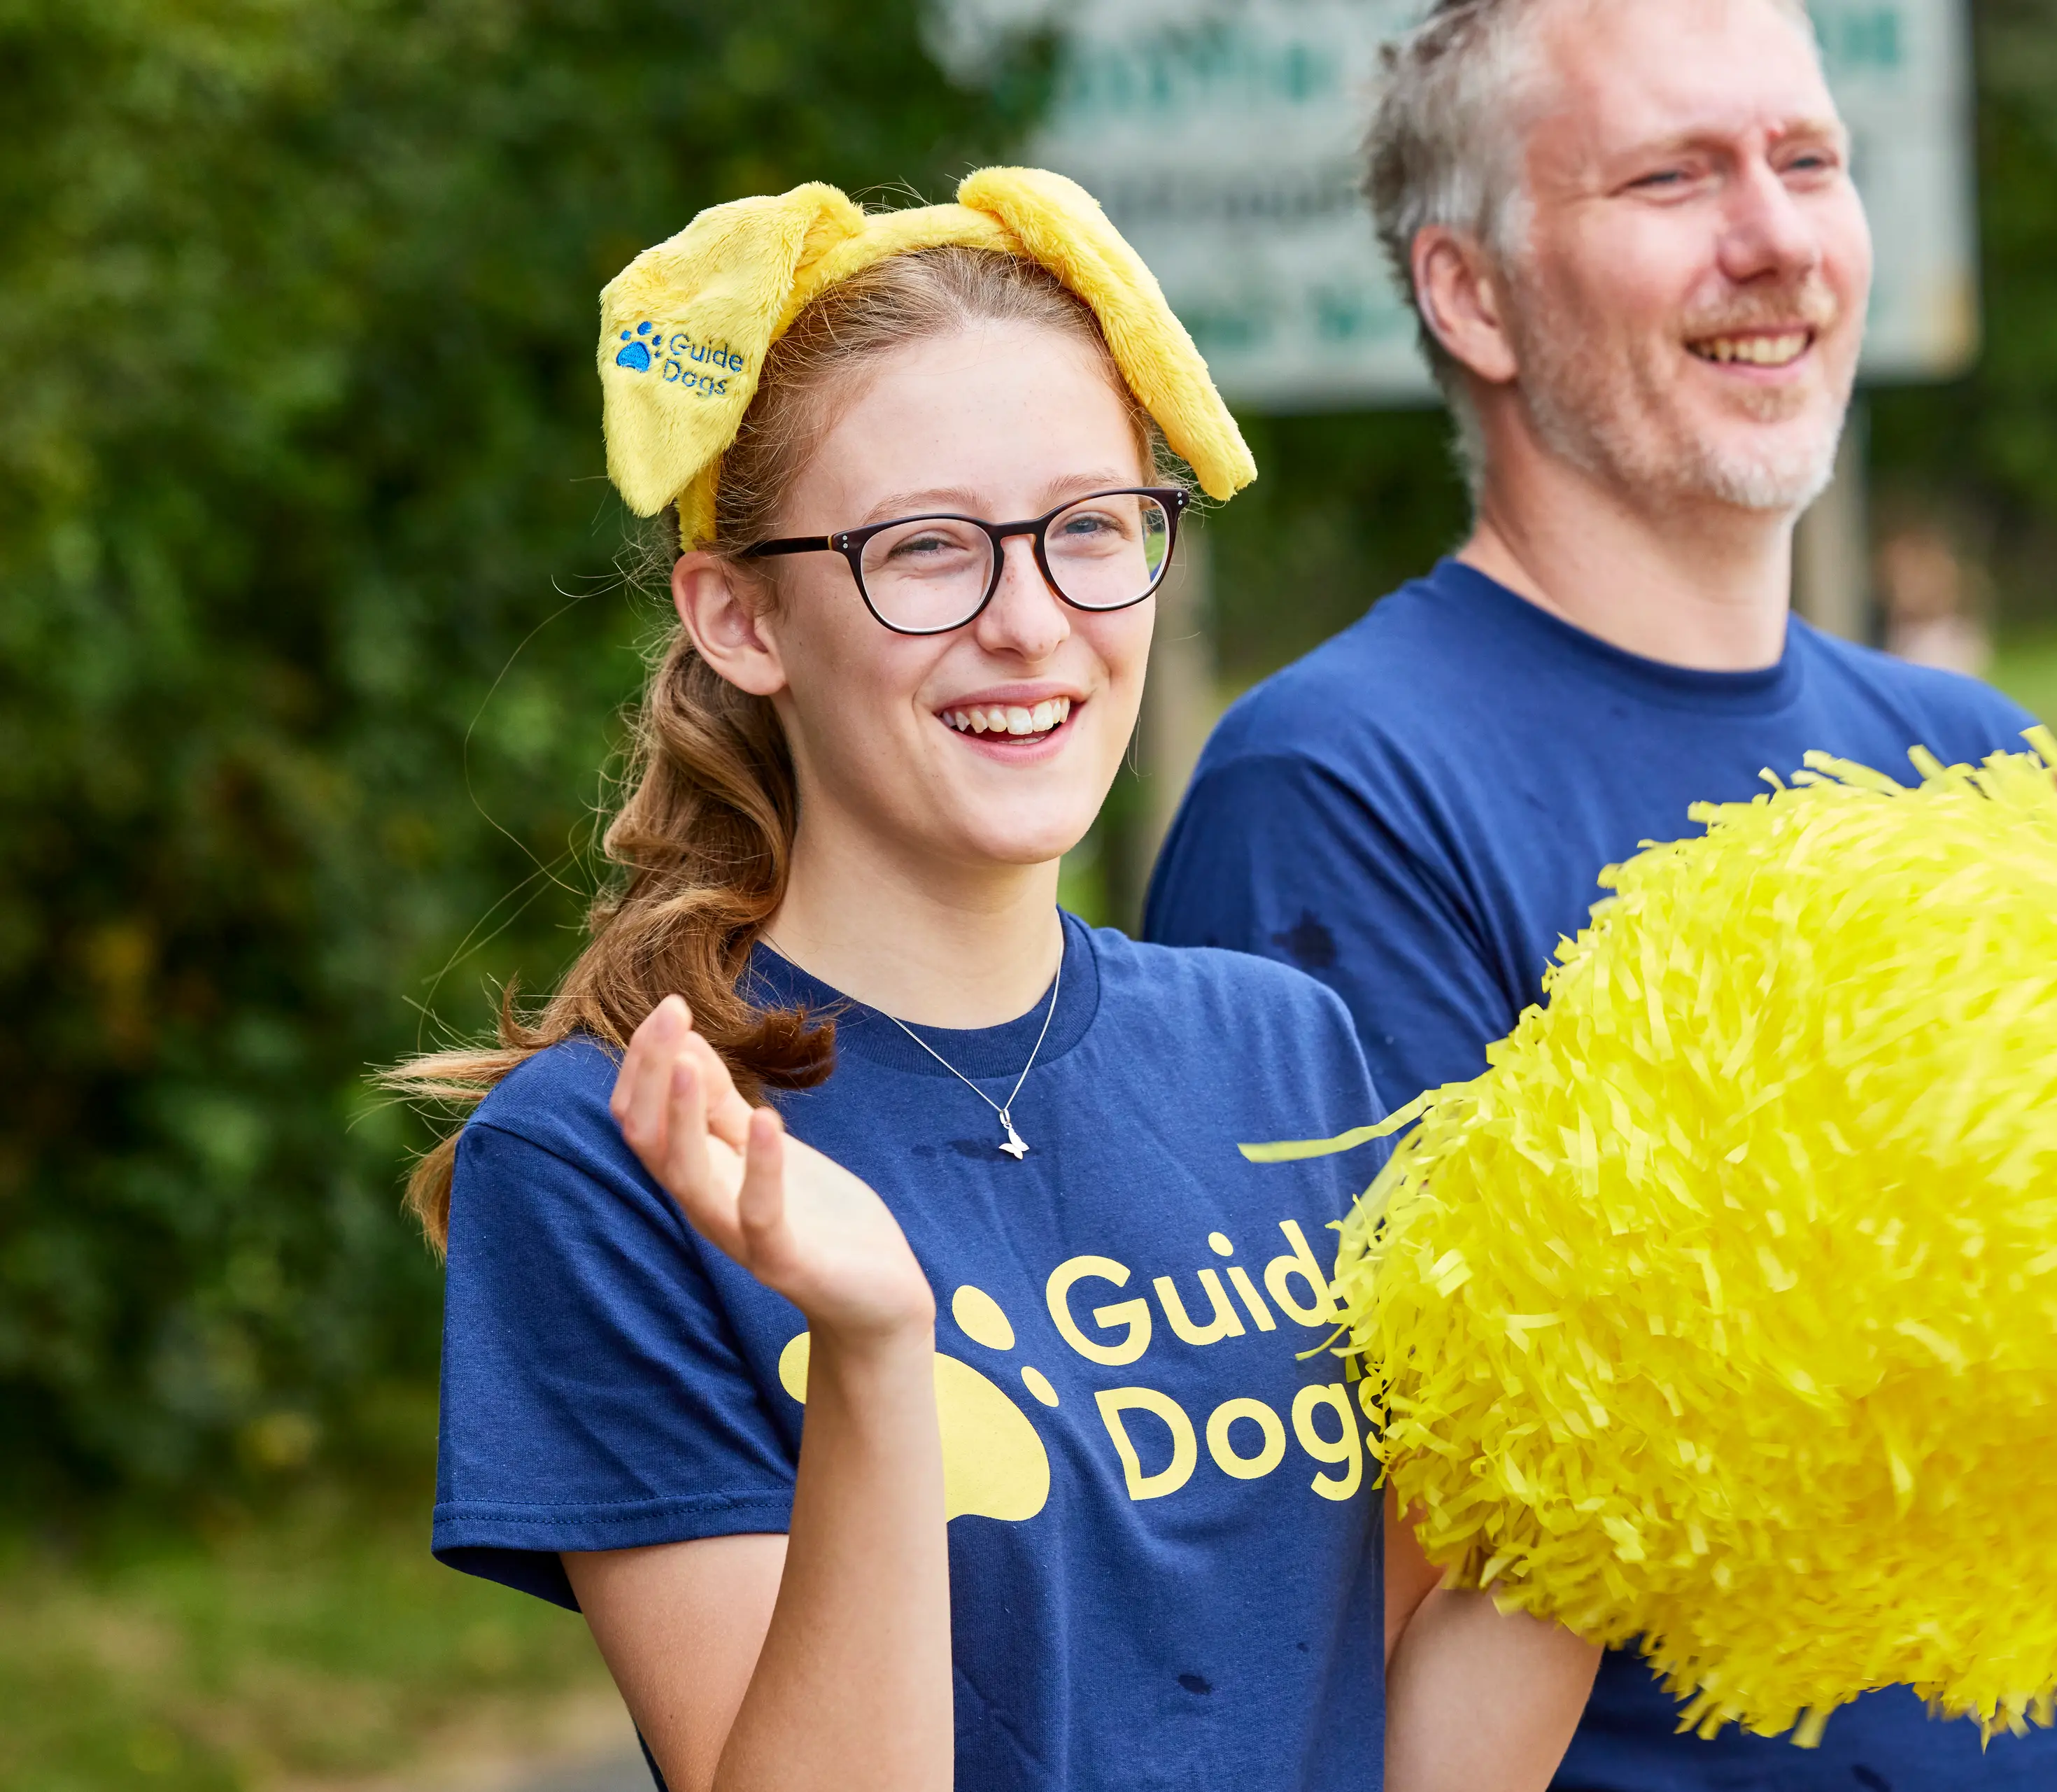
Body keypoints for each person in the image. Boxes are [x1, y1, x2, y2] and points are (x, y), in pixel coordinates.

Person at [1143, 2, 2057, 1788]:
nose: (1775, 235)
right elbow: (1364, 1553)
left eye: (1809, 161)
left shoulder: (1967, 750)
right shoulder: (1337, 786)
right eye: (1672, 174)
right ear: (1471, 294)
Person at [391, 171, 1597, 1792]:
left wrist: (1636, 1397)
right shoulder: (616, 1150)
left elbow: (1391, 1731)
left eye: (1093, 529)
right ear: (742, 616)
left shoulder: (1285, 1052)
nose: (1034, 622)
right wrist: (877, 1353)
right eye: (928, 548)